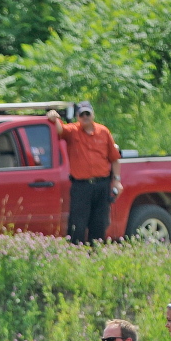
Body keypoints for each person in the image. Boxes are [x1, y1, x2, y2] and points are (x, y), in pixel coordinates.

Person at [46, 101, 123, 245]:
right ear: (77, 117)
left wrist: (117, 181)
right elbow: (59, 130)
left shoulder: (103, 131)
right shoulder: (72, 131)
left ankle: (96, 255)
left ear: (93, 114)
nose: (85, 116)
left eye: (88, 113)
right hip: (81, 187)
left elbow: (114, 159)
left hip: (102, 185)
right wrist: (53, 117)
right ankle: (76, 255)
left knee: (100, 223)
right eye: (82, 114)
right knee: (77, 225)